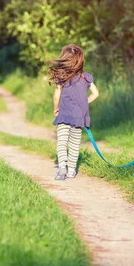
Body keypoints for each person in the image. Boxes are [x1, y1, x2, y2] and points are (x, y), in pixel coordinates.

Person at [48, 44, 99, 180]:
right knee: (75, 144)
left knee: (62, 142)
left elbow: (56, 95)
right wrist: (84, 102)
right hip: (78, 117)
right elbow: (95, 93)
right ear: (80, 60)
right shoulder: (86, 77)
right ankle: (71, 171)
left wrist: (55, 108)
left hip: (64, 115)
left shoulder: (62, 76)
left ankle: (62, 167)